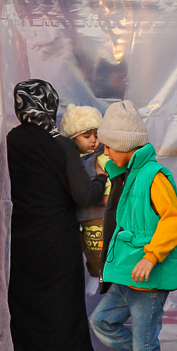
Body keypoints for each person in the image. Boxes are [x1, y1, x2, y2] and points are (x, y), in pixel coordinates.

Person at [1, 80, 107, 351]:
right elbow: (84, 196)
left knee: (19, 316)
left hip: (18, 244)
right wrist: (101, 178)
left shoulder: (9, 141)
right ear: (50, 104)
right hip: (56, 243)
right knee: (62, 315)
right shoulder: (59, 144)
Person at [88, 100, 177, 351]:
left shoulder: (153, 176)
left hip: (147, 278)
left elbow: (173, 219)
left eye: (109, 146)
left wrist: (151, 255)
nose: (104, 151)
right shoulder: (127, 171)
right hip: (126, 277)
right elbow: (108, 159)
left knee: (145, 350)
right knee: (102, 322)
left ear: (126, 145)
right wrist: (104, 157)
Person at [60, 103, 111, 278]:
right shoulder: (69, 158)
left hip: (96, 217)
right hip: (75, 217)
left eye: (96, 136)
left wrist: (106, 194)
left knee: (98, 258)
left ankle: (105, 283)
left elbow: (111, 178)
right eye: (86, 136)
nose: (93, 141)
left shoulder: (101, 157)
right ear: (72, 138)